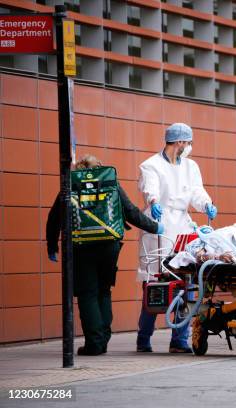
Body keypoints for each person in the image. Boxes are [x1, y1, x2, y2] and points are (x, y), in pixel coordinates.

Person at [46, 155, 163, 356]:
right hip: (109, 246)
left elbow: (54, 216)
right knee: (103, 290)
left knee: (87, 293)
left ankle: (94, 343)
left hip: (81, 246)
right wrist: (156, 227)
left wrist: (52, 246)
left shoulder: (72, 184)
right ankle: (103, 340)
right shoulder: (110, 184)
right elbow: (131, 212)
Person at [136, 122, 217, 353]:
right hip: (159, 228)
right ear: (179, 142)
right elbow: (149, 188)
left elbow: (196, 192)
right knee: (155, 285)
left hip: (182, 227)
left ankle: (179, 340)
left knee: (186, 283)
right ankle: (144, 338)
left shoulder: (191, 167)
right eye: (188, 142)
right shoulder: (150, 165)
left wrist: (207, 204)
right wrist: (153, 202)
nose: (189, 147)